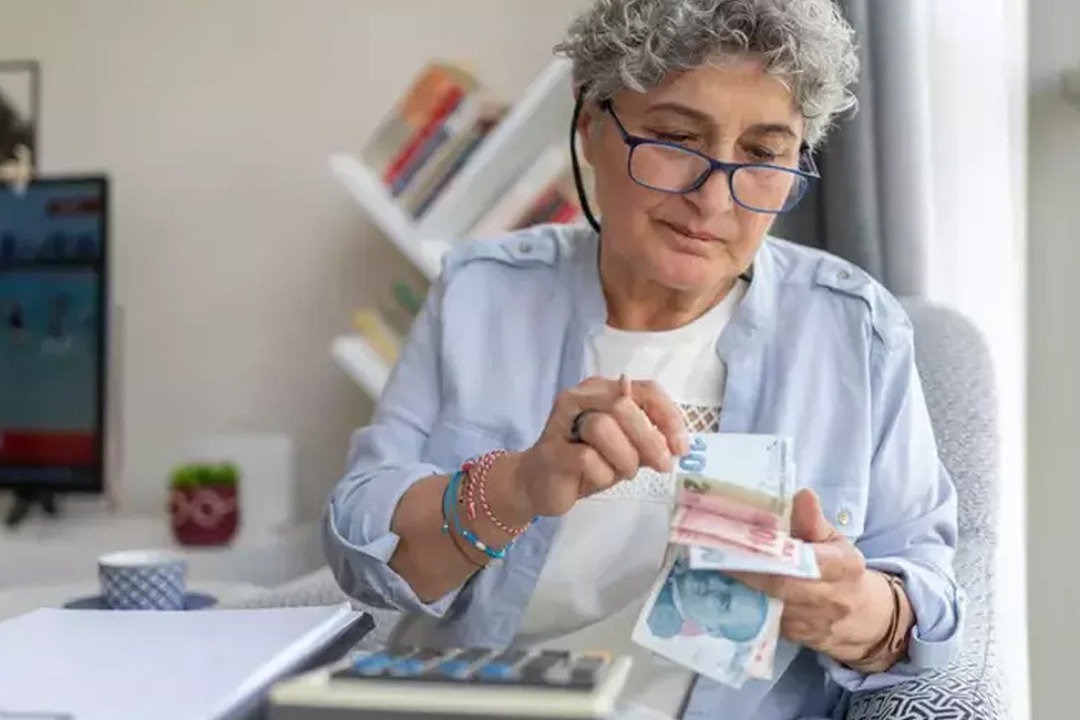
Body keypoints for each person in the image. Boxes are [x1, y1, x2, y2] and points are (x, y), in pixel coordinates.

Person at [324, 0, 962, 717]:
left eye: (762, 154)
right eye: (675, 138)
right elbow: (361, 550)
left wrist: (857, 612)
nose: (712, 200)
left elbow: (930, 600)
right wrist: (520, 486)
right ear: (592, 126)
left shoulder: (854, 329)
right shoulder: (483, 292)